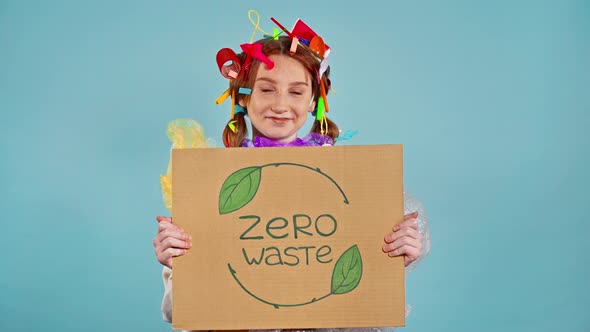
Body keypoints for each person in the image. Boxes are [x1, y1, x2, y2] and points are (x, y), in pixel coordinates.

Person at [154, 25, 430, 332]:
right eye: (266, 88)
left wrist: (397, 254)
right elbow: (176, 310)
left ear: (314, 100)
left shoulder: (349, 185)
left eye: (296, 91)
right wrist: (178, 262)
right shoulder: (212, 188)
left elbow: (364, 294)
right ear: (243, 96)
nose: (280, 105)